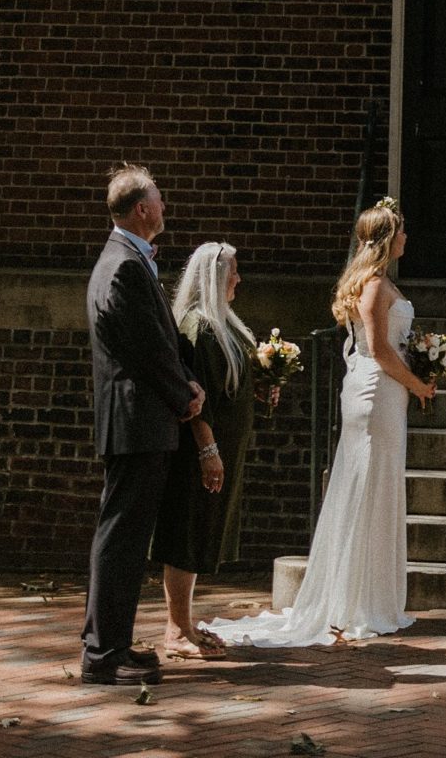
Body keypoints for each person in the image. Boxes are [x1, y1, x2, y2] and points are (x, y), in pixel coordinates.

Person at [207, 198, 435, 648]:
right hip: (376, 390)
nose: (407, 237)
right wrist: (419, 385)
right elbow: (380, 349)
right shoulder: (372, 285)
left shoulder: (379, 280)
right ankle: (354, 602)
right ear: (389, 239)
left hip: (383, 392)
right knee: (365, 487)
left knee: (377, 486)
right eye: (402, 231)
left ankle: (371, 597)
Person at [81, 167, 204, 686]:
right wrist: (185, 395)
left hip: (139, 422)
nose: (164, 207)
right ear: (141, 210)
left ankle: (115, 642)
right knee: (121, 539)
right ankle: (102, 655)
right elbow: (145, 348)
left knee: (127, 540)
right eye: (159, 199)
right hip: (136, 424)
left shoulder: (126, 261)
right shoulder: (125, 268)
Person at [153, 241, 266, 660]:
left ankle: (184, 622)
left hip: (224, 446)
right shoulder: (197, 327)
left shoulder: (224, 323)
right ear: (213, 277)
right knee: (186, 529)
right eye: (232, 271)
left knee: (202, 530)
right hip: (200, 450)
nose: (238, 278)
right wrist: (207, 450)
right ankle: (175, 629)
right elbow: (196, 399)